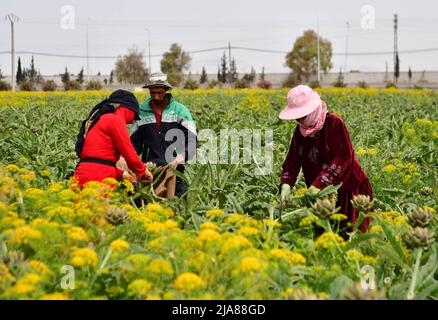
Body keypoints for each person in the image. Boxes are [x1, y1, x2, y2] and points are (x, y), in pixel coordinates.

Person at [278, 85, 372, 232]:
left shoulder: (334, 123)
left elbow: (344, 157)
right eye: (296, 117)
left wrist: (319, 184)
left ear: (312, 109)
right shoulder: (300, 132)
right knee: (324, 237)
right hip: (321, 195)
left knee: (351, 236)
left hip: (349, 190)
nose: (299, 120)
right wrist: (286, 184)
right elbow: (293, 159)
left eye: (302, 116)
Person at [131, 73, 197, 197]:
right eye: (152, 92)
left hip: (176, 171)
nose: (156, 96)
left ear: (166, 90)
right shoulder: (141, 113)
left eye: (160, 92)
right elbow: (134, 145)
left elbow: (192, 141)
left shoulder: (180, 111)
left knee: (179, 208)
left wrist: (180, 158)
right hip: (151, 172)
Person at [74, 89, 153, 187]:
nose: (132, 120)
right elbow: (129, 154)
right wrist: (143, 171)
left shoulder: (101, 120)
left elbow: (97, 160)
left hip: (81, 175)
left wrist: (122, 174)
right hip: (99, 178)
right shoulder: (115, 120)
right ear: (126, 108)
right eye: (134, 115)